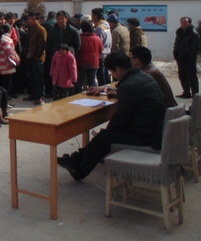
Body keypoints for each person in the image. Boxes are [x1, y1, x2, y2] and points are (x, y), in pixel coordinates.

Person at [57, 52, 167, 180]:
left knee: (104, 138)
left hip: (145, 135)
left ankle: (79, 171)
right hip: (155, 128)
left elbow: (121, 117)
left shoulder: (128, 85)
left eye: (111, 71)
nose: (112, 74)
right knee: (104, 136)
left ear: (119, 70)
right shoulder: (144, 76)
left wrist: (108, 131)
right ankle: (75, 160)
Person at [173, 16, 200, 98]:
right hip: (180, 58)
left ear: (189, 23)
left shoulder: (194, 34)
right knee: (182, 76)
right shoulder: (179, 32)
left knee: (192, 76)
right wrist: (175, 53)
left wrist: (190, 57)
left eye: (185, 22)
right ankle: (186, 92)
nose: (183, 24)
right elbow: (176, 44)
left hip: (189, 59)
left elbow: (194, 48)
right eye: (182, 22)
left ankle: (195, 94)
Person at [75, 21, 102, 93]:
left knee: (79, 81)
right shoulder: (97, 38)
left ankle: (77, 95)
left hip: (81, 62)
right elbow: (100, 50)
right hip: (94, 62)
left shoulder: (80, 38)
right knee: (92, 81)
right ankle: (94, 94)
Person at [26, 12, 47, 105]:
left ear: (38, 20)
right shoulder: (30, 29)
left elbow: (42, 45)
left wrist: (37, 57)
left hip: (38, 58)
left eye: (33, 19)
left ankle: (40, 96)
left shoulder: (41, 30)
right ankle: (34, 94)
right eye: (30, 19)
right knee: (32, 77)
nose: (31, 21)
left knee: (39, 78)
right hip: (30, 56)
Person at [0, 24, 19, 98]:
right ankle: (6, 98)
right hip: (7, 64)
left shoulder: (2, 38)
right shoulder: (5, 40)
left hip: (3, 63)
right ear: (10, 31)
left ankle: (5, 98)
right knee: (7, 83)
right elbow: (10, 52)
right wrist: (16, 60)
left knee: (4, 82)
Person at [91, 8, 112, 86]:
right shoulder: (106, 26)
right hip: (107, 52)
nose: (91, 17)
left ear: (95, 16)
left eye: (92, 15)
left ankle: (103, 89)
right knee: (106, 73)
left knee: (101, 74)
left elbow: (98, 42)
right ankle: (108, 87)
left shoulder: (99, 28)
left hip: (101, 54)